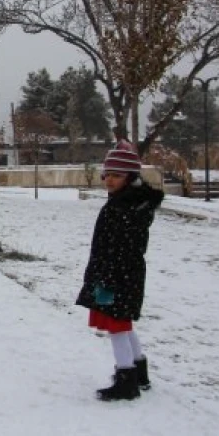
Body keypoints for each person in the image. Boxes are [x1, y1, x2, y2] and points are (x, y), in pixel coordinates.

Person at [75, 140, 164, 402]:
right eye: (107, 175)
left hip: (116, 274)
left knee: (116, 325)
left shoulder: (123, 207)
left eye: (116, 175)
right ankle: (139, 371)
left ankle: (126, 379)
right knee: (123, 323)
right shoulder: (133, 203)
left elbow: (117, 246)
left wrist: (105, 276)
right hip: (124, 272)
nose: (109, 180)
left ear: (130, 177)